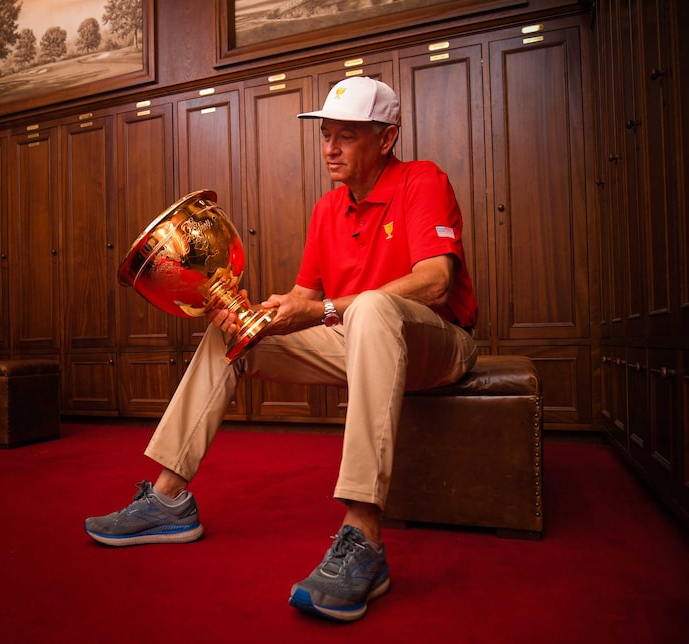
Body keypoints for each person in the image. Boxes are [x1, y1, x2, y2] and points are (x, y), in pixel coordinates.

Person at [84, 76, 479, 623]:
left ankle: (362, 533)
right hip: (354, 338)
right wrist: (255, 316)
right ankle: (169, 499)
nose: (329, 149)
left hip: (437, 344)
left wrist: (325, 311)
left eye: (346, 136)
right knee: (233, 336)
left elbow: (435, 281)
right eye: (325, 136)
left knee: (370, 309)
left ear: (386, 139)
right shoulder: (326, 210)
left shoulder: (421, 179)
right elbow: (304, 299)